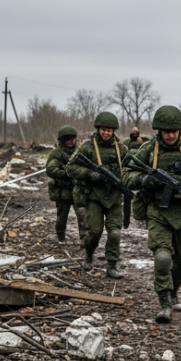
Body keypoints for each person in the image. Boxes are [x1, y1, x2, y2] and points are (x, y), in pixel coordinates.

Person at [124, 105, 181, 323]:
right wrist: (144, 181)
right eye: (166, 131)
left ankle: (173, 290)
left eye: (174, 131)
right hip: (157, 212)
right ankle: (164, 303)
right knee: (162, 257)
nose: (171, 135)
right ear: (159, 131)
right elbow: (126, 173)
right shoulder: (148, 150)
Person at [67, 112, 129, 279]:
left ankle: (112, 265)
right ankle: (88, 254)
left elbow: (130, 170)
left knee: (115, 233)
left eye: (109, 130)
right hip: (94, 196)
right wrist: (90, 174)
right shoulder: (87, 147)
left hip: (115, 197)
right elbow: (71, 168)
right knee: (94, 232)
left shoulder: (121, 149)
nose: (106, 133)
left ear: (113, 131)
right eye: (103, 129)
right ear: (98, 129)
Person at [44, 126, 84, 242]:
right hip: (63, 191)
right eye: (67, 139)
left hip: (78, 190)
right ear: (62, 140)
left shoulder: (80, 152)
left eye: (72, 138)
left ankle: (84, 239)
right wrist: (67, 174)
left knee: (83, 215)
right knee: (62, 217)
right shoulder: (57, 153)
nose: (70, 141)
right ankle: (61, 237)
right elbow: (51, 169)